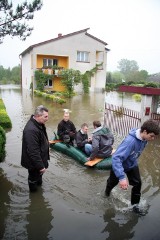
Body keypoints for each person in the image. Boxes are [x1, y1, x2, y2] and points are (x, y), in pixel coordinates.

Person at [105, 119, 160, 214]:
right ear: (145, 131)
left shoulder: (145, 139)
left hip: (131, 164)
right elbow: (116, 158)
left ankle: (135, 207)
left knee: (137, 184)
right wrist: (122, 178)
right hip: (120, 165)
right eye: (151, 136)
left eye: (154, 137)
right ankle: (106, 194)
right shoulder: (130, 142)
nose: (152, 139)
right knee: (112, 183)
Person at [21, 105, 50, 192]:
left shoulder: (39, 123)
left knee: (39, 178)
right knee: (33, 179)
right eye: (45, 116)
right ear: (37, 116)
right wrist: (41, 167)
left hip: (40, 160)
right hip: (34, 163)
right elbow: (33, 151)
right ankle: (33, 194)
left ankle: (39, 188)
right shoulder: (31, 130)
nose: (47, 118)